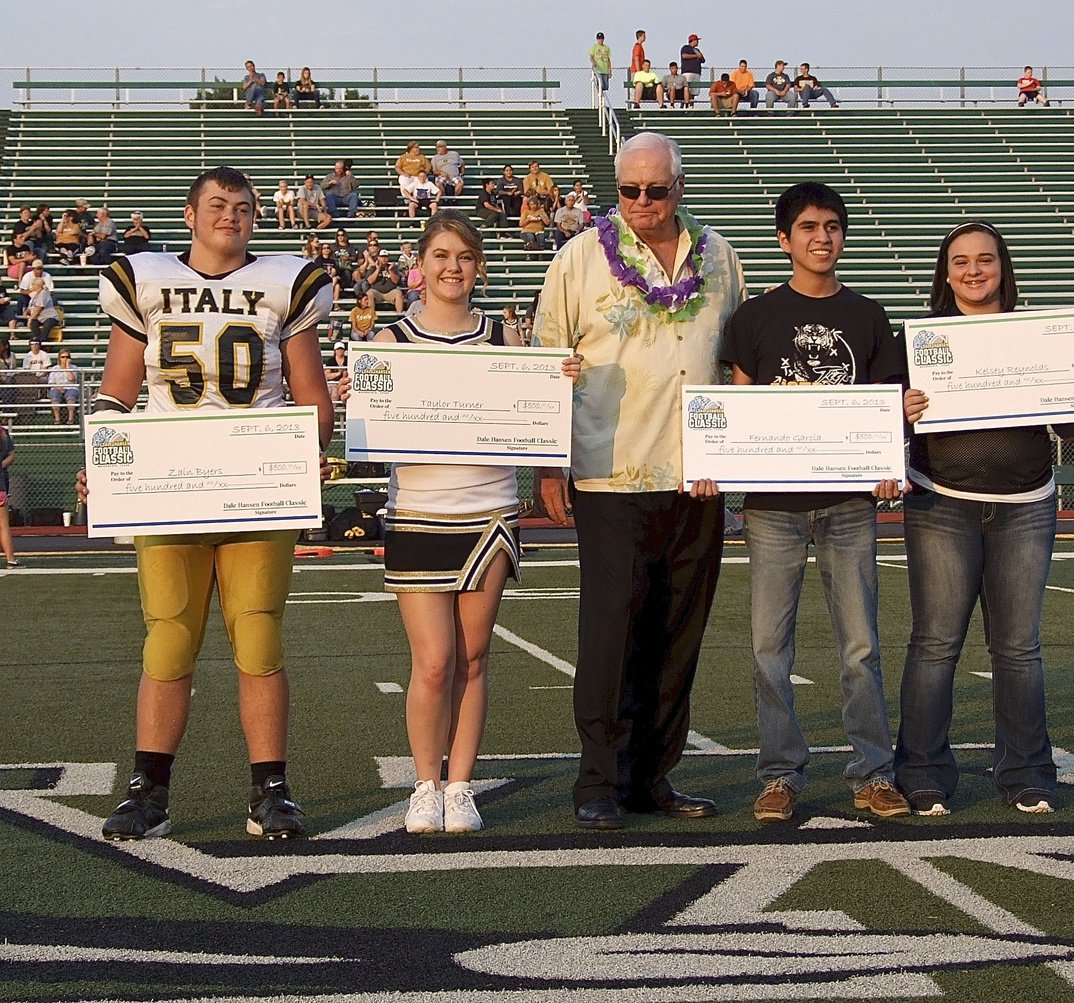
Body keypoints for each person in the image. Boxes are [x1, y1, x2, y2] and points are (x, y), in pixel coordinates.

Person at [88, 165, 334, 841]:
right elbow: (117, 391)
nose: (233, 214)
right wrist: (102, 462)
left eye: (245, 206)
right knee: (168, 638)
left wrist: (302, 441)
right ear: (190, 214)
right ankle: (148, 789)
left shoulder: (286, 283)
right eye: (219, 204)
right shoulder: (146, 279)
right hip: (173, 489)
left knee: (257, 631)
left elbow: (315, 400)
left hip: (255, 489)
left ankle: (271, 787)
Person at [534, 132, 747, 830]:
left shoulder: (721, 258)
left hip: (700, 477)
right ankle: (598, 778)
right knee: (609, 631)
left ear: (680, 188)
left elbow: (738, 361)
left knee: (678, 631)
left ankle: (654, 775)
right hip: (610, 469)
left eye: (657, 190)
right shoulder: (577, 258)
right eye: (630, 190)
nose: (643, 203)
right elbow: (543, 363)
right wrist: (547, 459)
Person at [895, 221, 1074, 817]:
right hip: (941, 502)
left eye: (985, 260)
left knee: (1018, 648)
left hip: (1027, 505)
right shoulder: (921, 340)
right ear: (944, 272)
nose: (973, 271)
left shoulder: (1039, 337)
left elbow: (1071, 426)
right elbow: (893, 426)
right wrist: (900, 411)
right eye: (960, 261)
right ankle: (922, 772)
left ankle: (1026, 771)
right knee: (935, 644)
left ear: (1004, 267)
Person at [349, 210, 579, 835]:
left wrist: (558, 383)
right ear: (419, 266)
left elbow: (537, 416)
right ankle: (425, 782)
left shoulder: (505, 340)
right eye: (442, 256)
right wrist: (361, 401)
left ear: (478, 266)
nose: (454, 267)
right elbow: (368, 441)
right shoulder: (390, 343)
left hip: (490, 512)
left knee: (473, 657)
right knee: (432, 661)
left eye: (466, 257)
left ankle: (460, 786)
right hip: (420, 515)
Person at [718, 182, 909, 823]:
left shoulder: (869, 316)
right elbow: (739, 412)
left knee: (860, 646)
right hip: (773, 507)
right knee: (770, 649)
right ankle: (779, 774)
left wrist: (888, 465)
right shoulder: (754, 319)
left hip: (851, 504)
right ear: (784, 238)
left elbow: (888, 411)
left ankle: (873, 773)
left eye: (832, 225)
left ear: (843, 234)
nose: (821, 237)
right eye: (807, 226)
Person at [0, 425, 19, 568]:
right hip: (0, 484)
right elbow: (11, 455)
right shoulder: (4, 434)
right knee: (3, 524)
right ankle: (10, 558)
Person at [46, 346, 80, 424]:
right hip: (57, 388)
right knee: (54, 394)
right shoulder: (55, 368)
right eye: (63, 357)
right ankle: (57, 419)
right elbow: (51, 382)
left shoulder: (74, 368)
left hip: (71, 387)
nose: (65, 359)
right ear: (59, 358)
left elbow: (71, 379)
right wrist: (58, 387)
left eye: (67, 357)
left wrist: (68, 367)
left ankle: (71, 419)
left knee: (71, 395)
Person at [679, 34, 704, 106]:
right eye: (696, 40)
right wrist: (696, 56)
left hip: (696, 72)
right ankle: (685, 105)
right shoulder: (686, 47)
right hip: (688, 72)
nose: (698, 42)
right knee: (687, 89)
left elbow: (703, 60)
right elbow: (684, 56)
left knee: (694, 91)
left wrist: (700, 56)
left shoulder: (697, 50)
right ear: (692, 41)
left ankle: (691, 105)